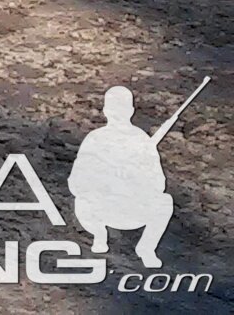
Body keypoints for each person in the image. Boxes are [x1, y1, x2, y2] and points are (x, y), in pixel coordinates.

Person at [70, 84, 181, 266]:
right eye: (114, 108)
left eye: (121, 108)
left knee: (164, 202)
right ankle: (99, 235)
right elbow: (75, 183)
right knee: (82, 201)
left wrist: (135, 176)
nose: (118, 113)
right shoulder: (94, 139)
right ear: (106, 110)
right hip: (102, 208)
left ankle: (146, 248)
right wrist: (104, 178)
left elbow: (158, 184)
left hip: (133, 208)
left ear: (130, 111)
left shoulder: (142, 140)